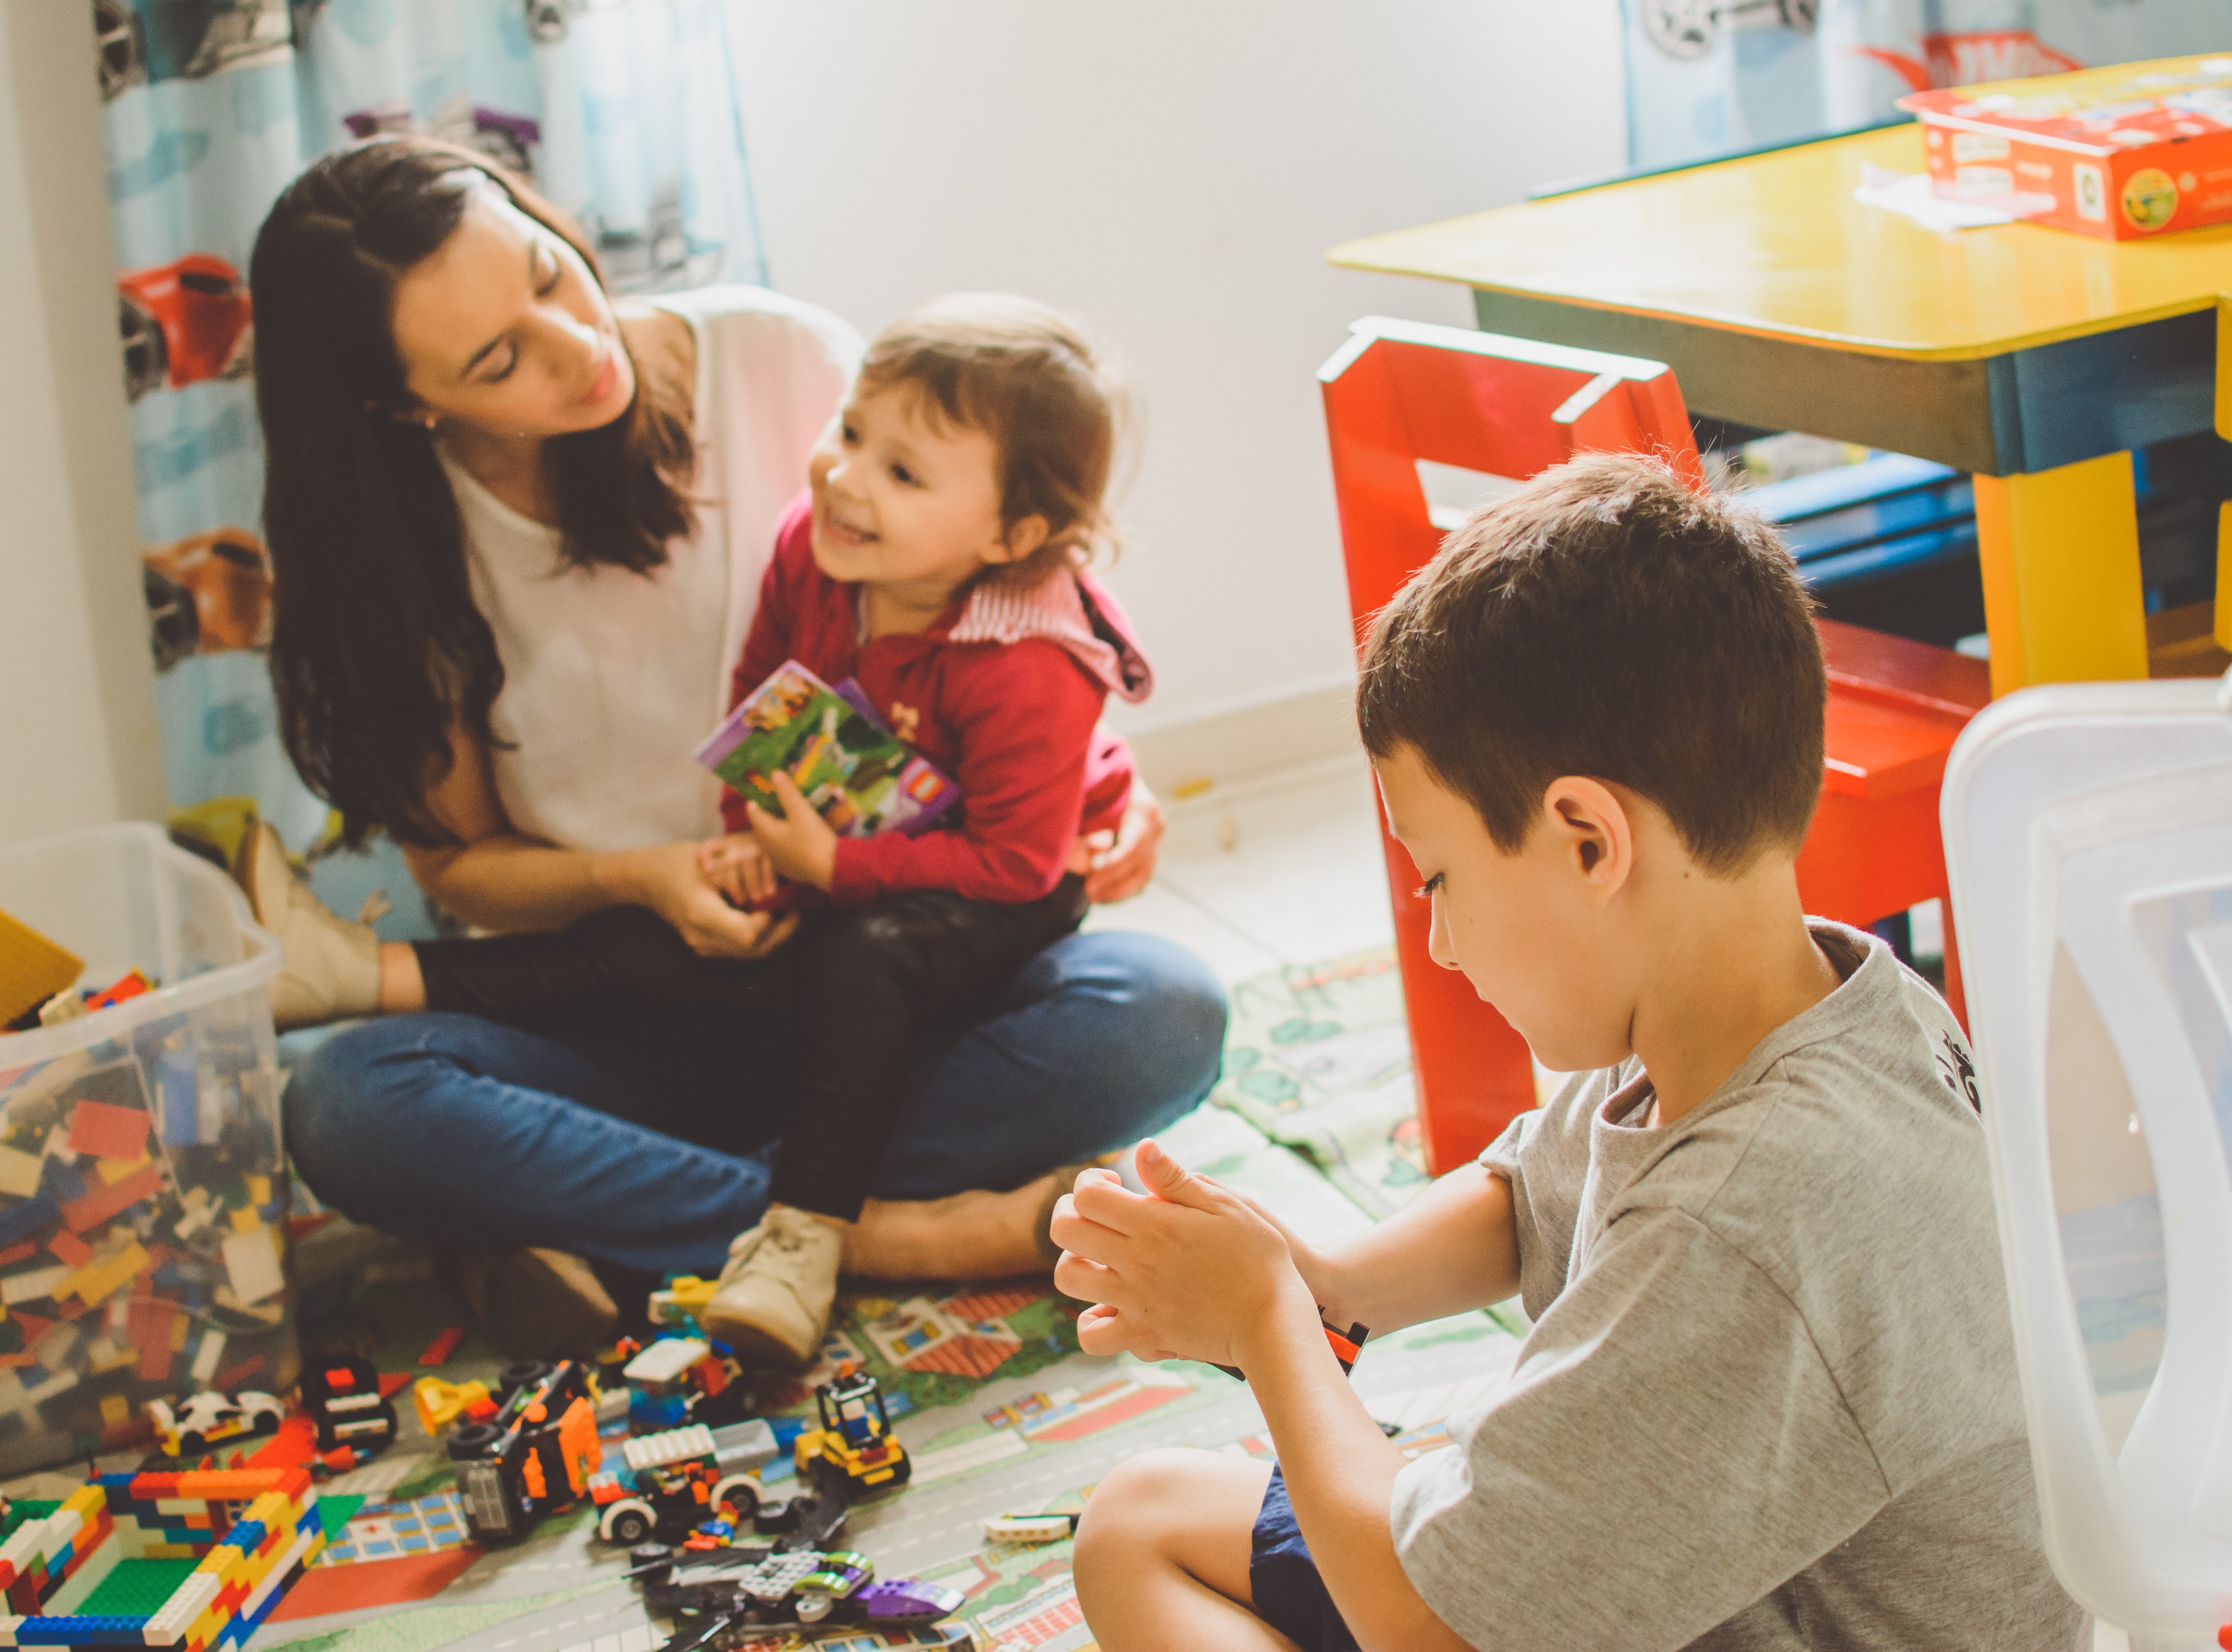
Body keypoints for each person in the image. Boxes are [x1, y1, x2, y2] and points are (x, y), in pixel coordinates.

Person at [1052, 456, 2083, 1652]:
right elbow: (1533, 1186)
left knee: (1194, 1536)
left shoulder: (1755, 1212)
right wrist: (1330, 1277)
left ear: (1588, 840)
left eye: (1440, 875)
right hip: (1715, 1580)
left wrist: (1267, 1322)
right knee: (1140, 1517)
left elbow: (1425, 1625)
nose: (1436, 940)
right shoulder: (1804, 1000)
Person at [236, 135, 1225, 1355]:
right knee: (347, 1104)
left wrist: (1097, 794)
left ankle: (609, 1220)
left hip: (882, 970)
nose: (577, 345)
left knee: (1162, 1011)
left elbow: (999, 601)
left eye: (549, 276)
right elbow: (460, 870)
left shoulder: (780, 361)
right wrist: (641, 876)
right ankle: (883, 1235)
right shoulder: (404, 546)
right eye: (500, 360)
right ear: (404, 403)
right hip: (627, 996)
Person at [387, 295, 1155, 1364]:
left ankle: (723, 1222)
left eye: (901, 472)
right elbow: (765, 691)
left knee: (1147, 1008)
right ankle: (858, 1219)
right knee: (356, 1097)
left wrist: (836, 865)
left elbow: (1018, 864)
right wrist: (757, 829)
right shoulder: (813, 543)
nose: (845, 476)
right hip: (757, 939)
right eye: (848, 433)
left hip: (947, 918)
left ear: (1011, 537)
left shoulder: (1026, 659)